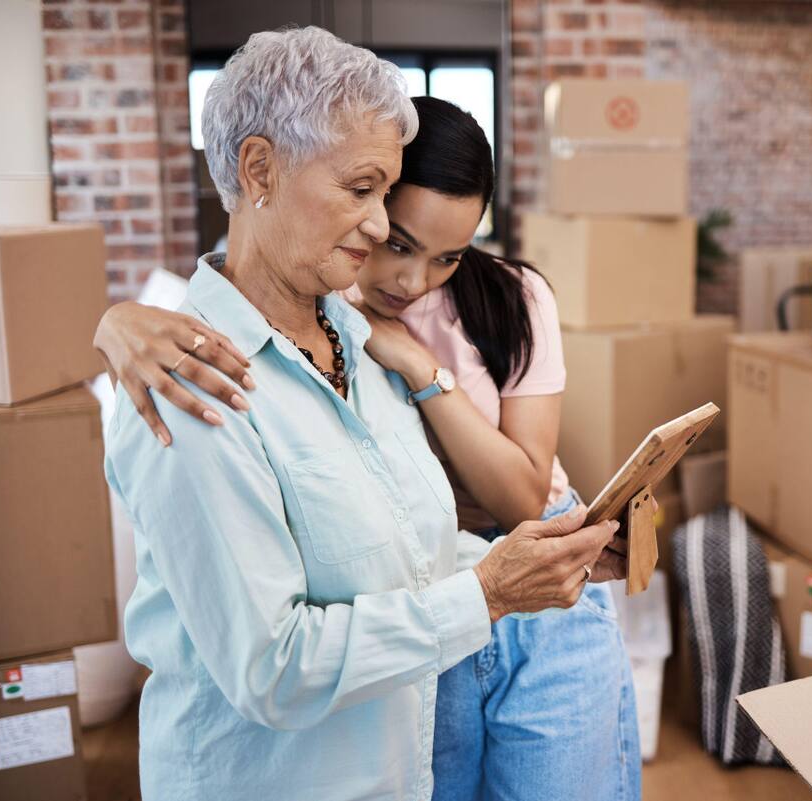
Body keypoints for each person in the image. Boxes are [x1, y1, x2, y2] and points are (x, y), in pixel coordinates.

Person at [100, 28, 621, 801]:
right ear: (259, 170)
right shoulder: (193, 381)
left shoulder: (354, 343)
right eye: (361, 189)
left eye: (386, 195)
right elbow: (274, 667)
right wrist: (488, 592)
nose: (380, 227)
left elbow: (404, 549)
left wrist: (527, 562)